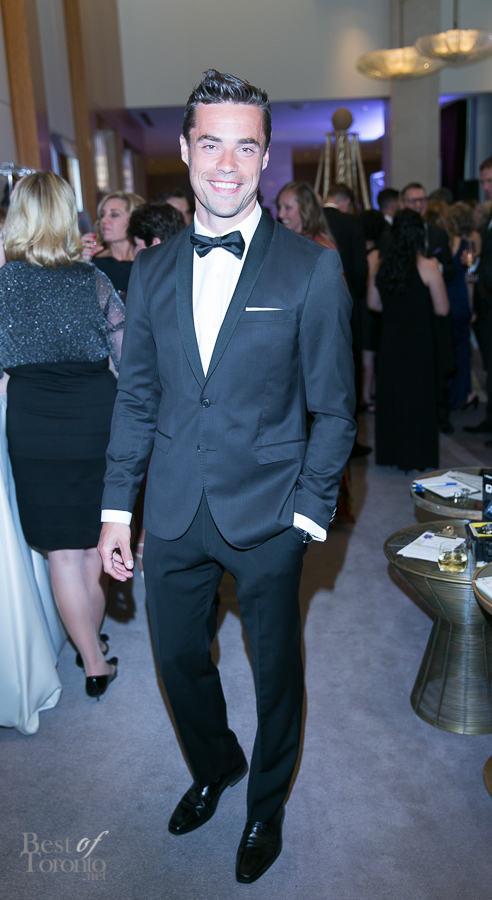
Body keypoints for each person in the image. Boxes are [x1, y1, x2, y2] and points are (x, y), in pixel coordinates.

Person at [98, 69, 356, 884]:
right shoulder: (152, 270)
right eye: (211, 143)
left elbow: (335, 408)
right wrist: (116, 511)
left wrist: (310, 512)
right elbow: (138, 398)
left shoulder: (310, 269)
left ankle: (266, 806)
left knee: (277, 675)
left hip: (273, 511)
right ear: (184, 149)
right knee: (178, 658)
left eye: (246, 147)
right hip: (174, 506)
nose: (227, 164)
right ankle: (216, 764)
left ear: (267, 156)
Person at [0, 172, 124, 700]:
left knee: (62, 555)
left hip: (35, 426)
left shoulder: (3, 284)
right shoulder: (93, 280)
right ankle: (92, 649)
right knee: (95, 546)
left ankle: (92, 660)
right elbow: (128, 361)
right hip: (96, 420)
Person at [276, 180, 354, 523]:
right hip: (292, 358)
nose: (281, 214)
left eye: (288, 207)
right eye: (280, 207)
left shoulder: (320, 248)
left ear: (305, 209)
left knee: (321, 429)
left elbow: (337, 310)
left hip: (312, 360)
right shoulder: (289, 244)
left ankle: (318, 507)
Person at [368, 209, 449, 470]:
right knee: (418, 397)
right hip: (419, 340)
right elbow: (442, 309)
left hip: (391, 338)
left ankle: (391, 453)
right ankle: (417, 455)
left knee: (392, 395)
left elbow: (373, 304)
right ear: (419, 235)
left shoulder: (381, 264)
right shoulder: (428, 266)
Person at [322, 184, 370, 456]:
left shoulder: (313, 220)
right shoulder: (352, 223)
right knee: (348, 372)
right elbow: (360, 271)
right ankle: (351, 441)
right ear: (346, 202)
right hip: (348, 305)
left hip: (317, 309)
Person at [464, 157, 492, 438]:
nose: (485, 187)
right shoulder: (487, 218)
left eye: (490, 181)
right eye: (483, 181)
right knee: (488, 365)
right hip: (485, 303)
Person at [444, 202, 480, 411]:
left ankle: (450, 393)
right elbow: (470, 278)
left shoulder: (444, 242)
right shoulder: (467, 246)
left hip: (444, 298)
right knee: (462, 350)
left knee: (447, 347)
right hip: (460, 299)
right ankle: (464, 394)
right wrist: (471, 306)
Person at [81, 190, 144, 297]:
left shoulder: (144, 263)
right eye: (102, 215)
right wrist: (81, 263)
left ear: (134, 220)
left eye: (114, 215)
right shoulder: (94, 263)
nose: (103, 220)